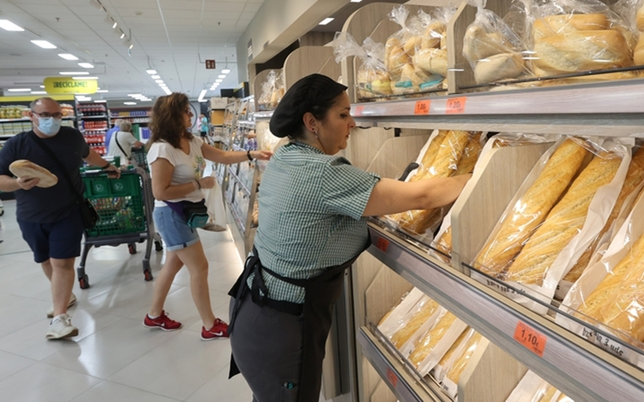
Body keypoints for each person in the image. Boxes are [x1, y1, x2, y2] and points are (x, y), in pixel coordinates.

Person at [228, 74, 471, 402]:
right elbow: (424, 197)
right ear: (312, 122)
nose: (352, 123)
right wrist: (481, 171)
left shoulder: (287, 156)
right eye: (343, 115)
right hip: (283, 329)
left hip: (255, 312)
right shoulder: (323, 173)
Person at [144, 92, 272, 340]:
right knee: (200, 267)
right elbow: (160, 191)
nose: (190, 115)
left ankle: (154, 314)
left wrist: (250, 155)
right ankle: (209, 324)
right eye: (185, 111)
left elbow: (221, 156)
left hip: (184, 213)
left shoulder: (191, 141)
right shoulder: (162, 148)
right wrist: (197, 184)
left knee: (173, 264)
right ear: (172, 115)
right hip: (172, 215)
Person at [0, 97, 120, 339]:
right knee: (45, 260)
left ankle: (59, 318)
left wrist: (108, 166)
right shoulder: (16, 145)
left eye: (57, 115)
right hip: (31, 216)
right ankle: (66, 296)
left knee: (63, 263)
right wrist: (17, 184)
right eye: (45, 115)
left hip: (68, 211)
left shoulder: (72, 137)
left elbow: (88, 155)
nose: (52, 120)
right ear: (31, 116)